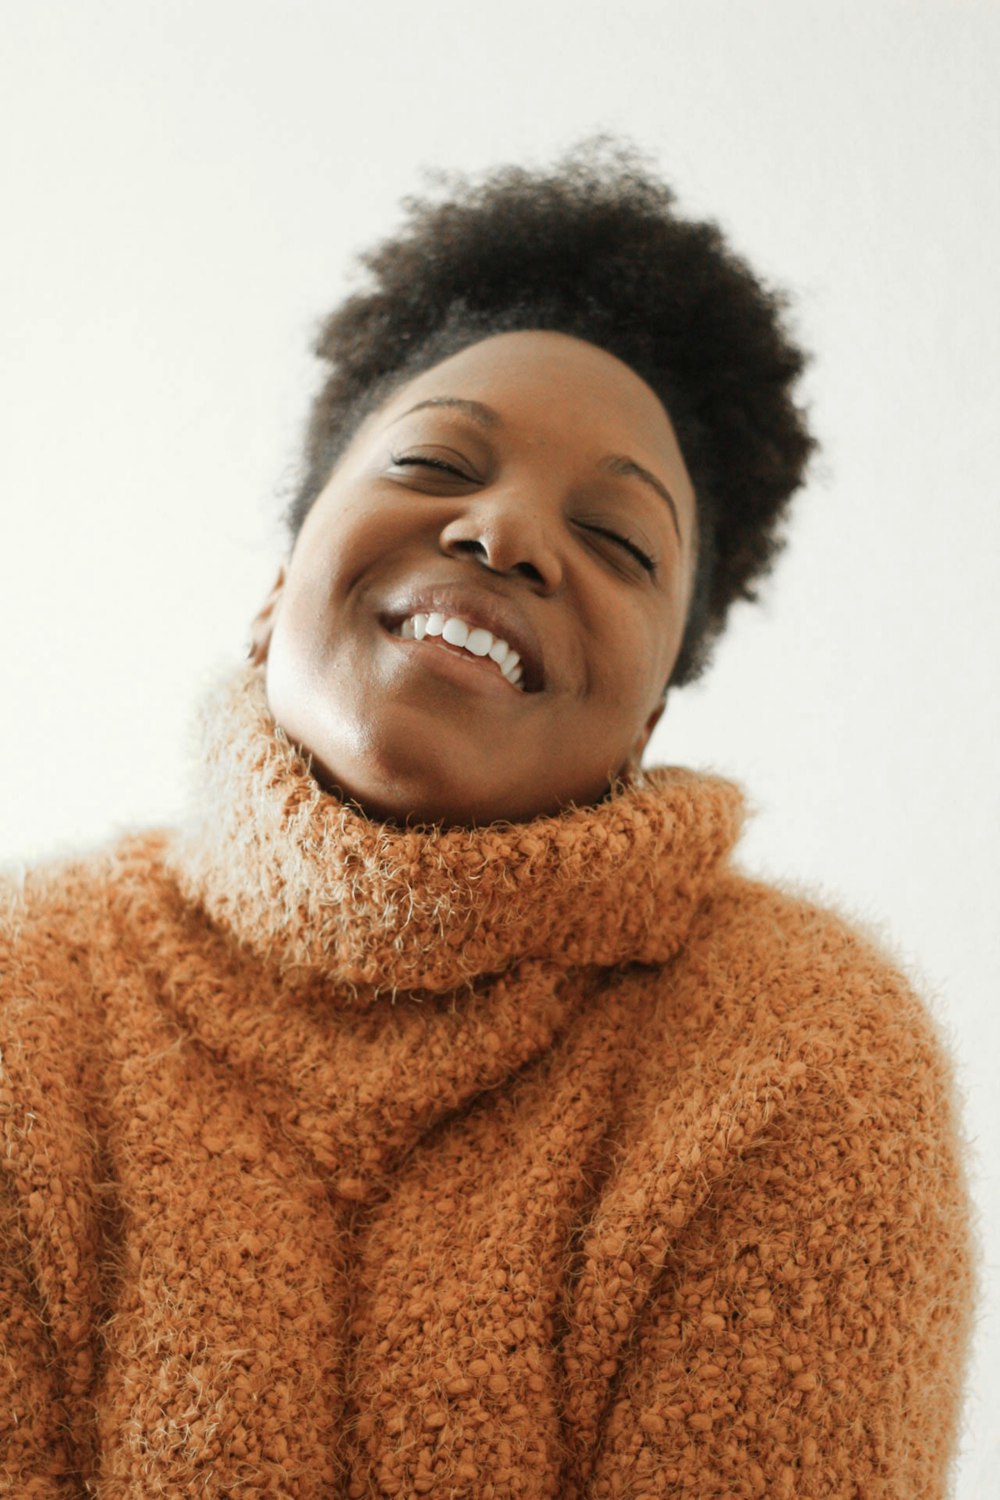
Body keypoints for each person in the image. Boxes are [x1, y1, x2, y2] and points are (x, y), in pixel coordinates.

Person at [1, 140, 974, 1497]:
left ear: (647, 720)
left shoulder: (796, 1048)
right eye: (438, 458)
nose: (508, 534)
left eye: (622, 544)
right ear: (282, 578)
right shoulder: (25, 995)